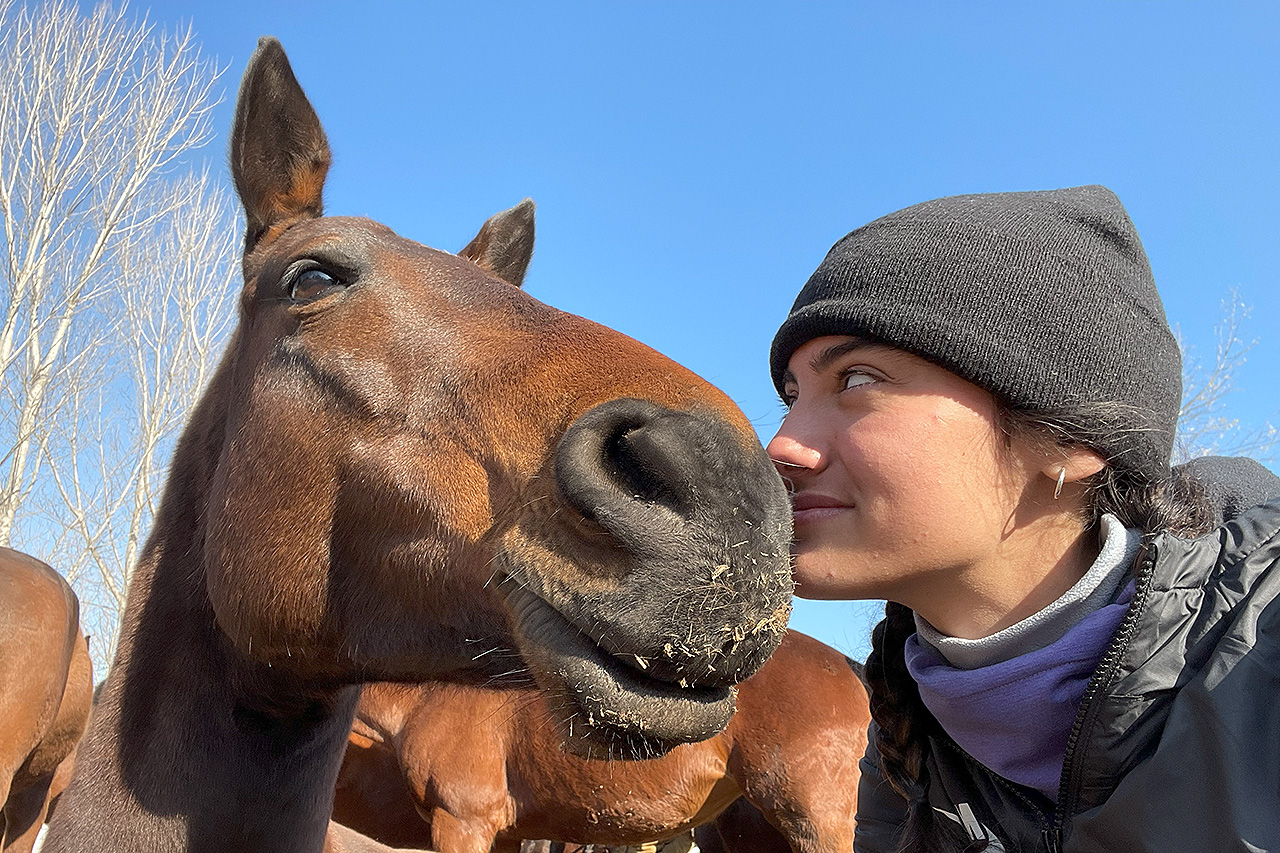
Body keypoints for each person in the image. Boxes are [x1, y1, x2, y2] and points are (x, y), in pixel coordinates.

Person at [765, 186, 1280, 853]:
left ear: (1068, 440)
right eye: (790, 398)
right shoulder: (903, 743)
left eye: (858, 380)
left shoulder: (1260, 664)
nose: (781, 445)